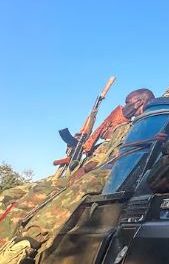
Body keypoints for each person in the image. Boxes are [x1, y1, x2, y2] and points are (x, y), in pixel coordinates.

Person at [0, 89, 155, 264]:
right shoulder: (124, 128)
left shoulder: (150, 123)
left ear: (139, 102)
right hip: (91, 169)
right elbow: (101, 153)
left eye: (128, 102)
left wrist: (87, 170)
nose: (124, 107)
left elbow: (119, 157)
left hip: (115, 171)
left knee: (80, 186)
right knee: (24, 191)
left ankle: (28, 242)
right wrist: (81, 150)